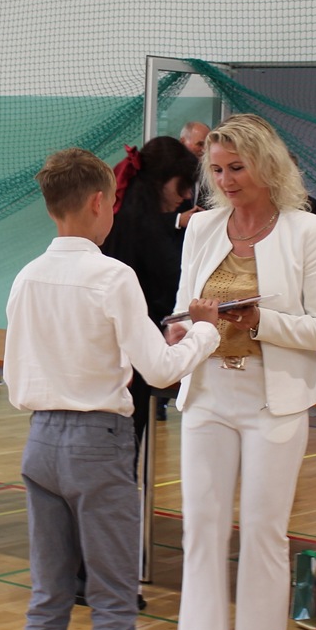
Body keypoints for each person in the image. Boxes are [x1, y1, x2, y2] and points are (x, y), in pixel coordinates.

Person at [3, 147, 220, 630]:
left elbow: (18, 379)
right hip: (97, 446)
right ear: (100, 202)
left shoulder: (26, 277)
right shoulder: (112, 276)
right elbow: (159, 370)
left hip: (40, 442)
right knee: (113, 605)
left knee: (47, 601)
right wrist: (204, 335)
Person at [166, 114, 316, 630]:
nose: (225, 181)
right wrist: (181, 329)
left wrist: (258, 322)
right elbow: (186, 309)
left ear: (267, 165)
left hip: (275, 403)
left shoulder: (307, 231)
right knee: (201, 536)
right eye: (216, 170)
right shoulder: (201, 228)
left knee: (265, 541)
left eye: (236, 168)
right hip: (208, 395)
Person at [102, 136, 199, 439]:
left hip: (113, 352)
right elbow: (162, 294)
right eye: (182, 185)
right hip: (131, 355)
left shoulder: (121, 218)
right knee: (121, 446)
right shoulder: (143, 229)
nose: (186, 195)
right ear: (161, 180)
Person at [179, 120, 211, 209]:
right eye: (200, 144)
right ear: (182, 142)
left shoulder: (211, 172)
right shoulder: (167, 169)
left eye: (208, 145)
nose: (205, 150)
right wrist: (179, 216)